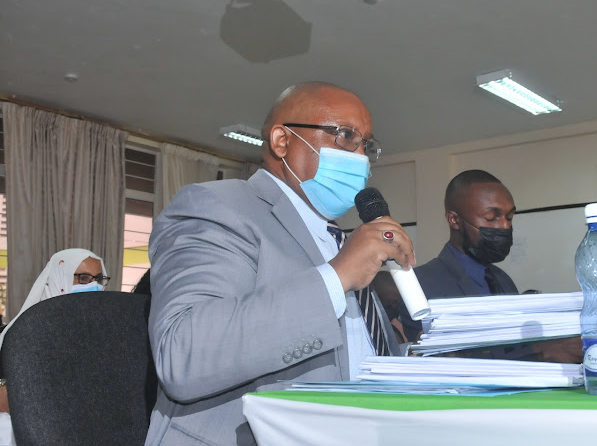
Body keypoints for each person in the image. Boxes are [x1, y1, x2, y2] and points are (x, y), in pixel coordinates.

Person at [146, 82, 415, 446]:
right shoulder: (217, 207)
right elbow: (184, 354)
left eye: (366, 144)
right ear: (282, 141)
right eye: (345, 135)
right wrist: (336, 278)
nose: (360, 156)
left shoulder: (340, 240)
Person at [400, 170, 597, 361]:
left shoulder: (501, 279)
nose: (504, 227)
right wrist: (546, 351)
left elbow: (515, 342)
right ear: (454, 220)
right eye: (492, 217)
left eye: (509, 218)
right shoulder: (421, 284)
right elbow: (444, 361)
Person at [0, 249, 107, 439]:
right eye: (83, 278)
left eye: (98, 279)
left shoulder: (105, 331)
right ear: (59, 277)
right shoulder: (28, 330)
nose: (94, 286)